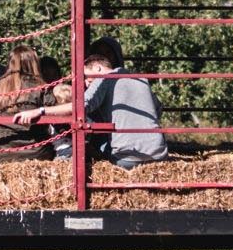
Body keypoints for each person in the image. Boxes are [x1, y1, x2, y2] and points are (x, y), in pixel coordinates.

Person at [14, 47, 167, 169]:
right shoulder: (141, 79)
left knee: (92, 143)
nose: (86, 83)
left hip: (127, 158)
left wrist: (40, 111)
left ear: (99, 68)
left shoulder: (105, 79)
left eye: (86, 76)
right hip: (159, 154)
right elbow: (158, 109)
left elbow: (81, 107)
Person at [0, 45, 51, 159]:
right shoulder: (41, 87)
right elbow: (53, 119)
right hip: (37, 152)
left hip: (5, 152)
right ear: (34, 63)